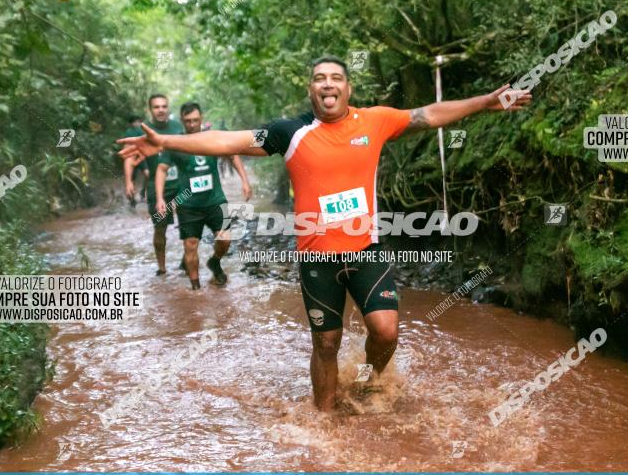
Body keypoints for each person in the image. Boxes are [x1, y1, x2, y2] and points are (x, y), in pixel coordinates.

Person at [119, 56, 531, 411]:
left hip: (366, 249)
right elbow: (229, 139)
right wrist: (167, 140)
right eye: (320, 78)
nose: (328, 84)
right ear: (311, 89)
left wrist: (486, 102)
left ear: (348, 87)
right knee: (327, 345)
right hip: (317, 259)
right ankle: (325, 422)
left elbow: (429, 114)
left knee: (386, 330)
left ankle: (370, 378)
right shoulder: (290, 132)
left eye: (335, 77)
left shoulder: (376, 120)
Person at [155, 102, 253, 289]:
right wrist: (160, 198)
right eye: (188, 121)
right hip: (188, 204)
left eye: (196, 120)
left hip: (215, 199)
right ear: (182, 120)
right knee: (191, 245)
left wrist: (245, 181)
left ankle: (215, 261)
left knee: (225, 239)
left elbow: (232, 154)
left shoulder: (213, 138)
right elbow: (161, 169)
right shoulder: (175, 144)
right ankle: (195, 288)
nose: (192, 124)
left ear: (202, 119)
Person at [121, 94, 184, 275]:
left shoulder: (178, 127)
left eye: (164, 106)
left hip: (181, 186)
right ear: (150, 110)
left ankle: (186, 261)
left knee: (189, 223)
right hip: (157, 189)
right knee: (160, 227)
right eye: (156, 107)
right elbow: (128, 156)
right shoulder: (141, 131)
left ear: (168, 108)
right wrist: (128, 182)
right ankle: (162, 267)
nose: (161, 110)